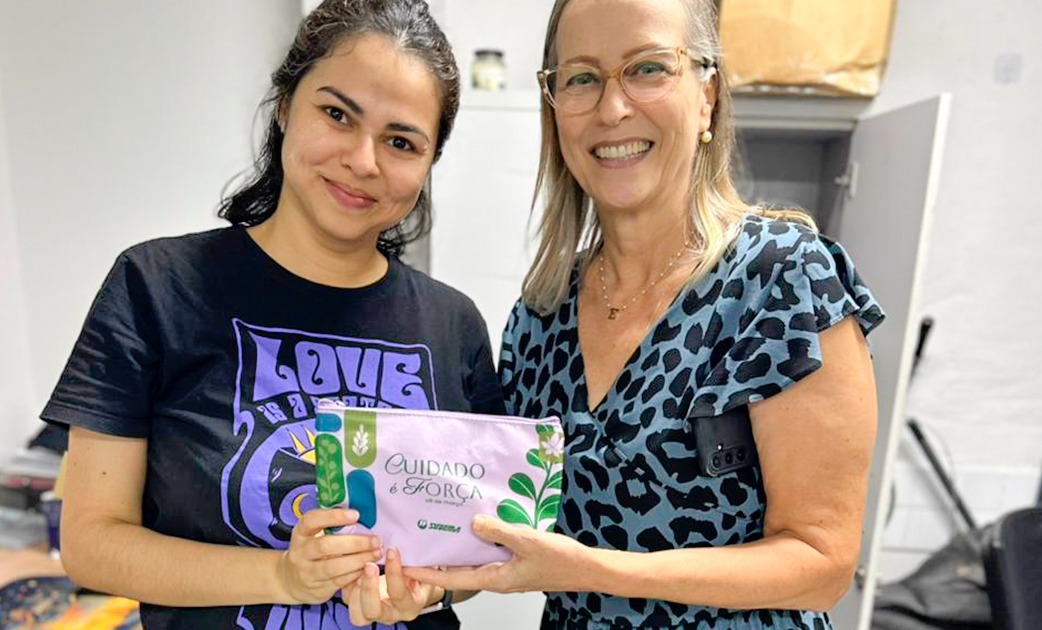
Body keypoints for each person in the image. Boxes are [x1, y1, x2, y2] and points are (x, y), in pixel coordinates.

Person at [406, 0, 885, 627]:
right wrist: (410, 576)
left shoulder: (782, 280)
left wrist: (590, 570)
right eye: (581, 77)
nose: (612, 108)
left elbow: (822, 565)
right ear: (554, 108)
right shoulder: (540, 317)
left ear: (707, 95)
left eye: (648, 68)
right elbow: (494, 527)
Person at [41, 1, 501, 628]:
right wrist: (283, 576)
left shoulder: (454, 325)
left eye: (401, 142)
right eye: (337, 114)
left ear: (428, 164)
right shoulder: (156, 287)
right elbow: (91, 544)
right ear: (285, 106)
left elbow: (472, 551)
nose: (364, 161)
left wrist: (428, 590)